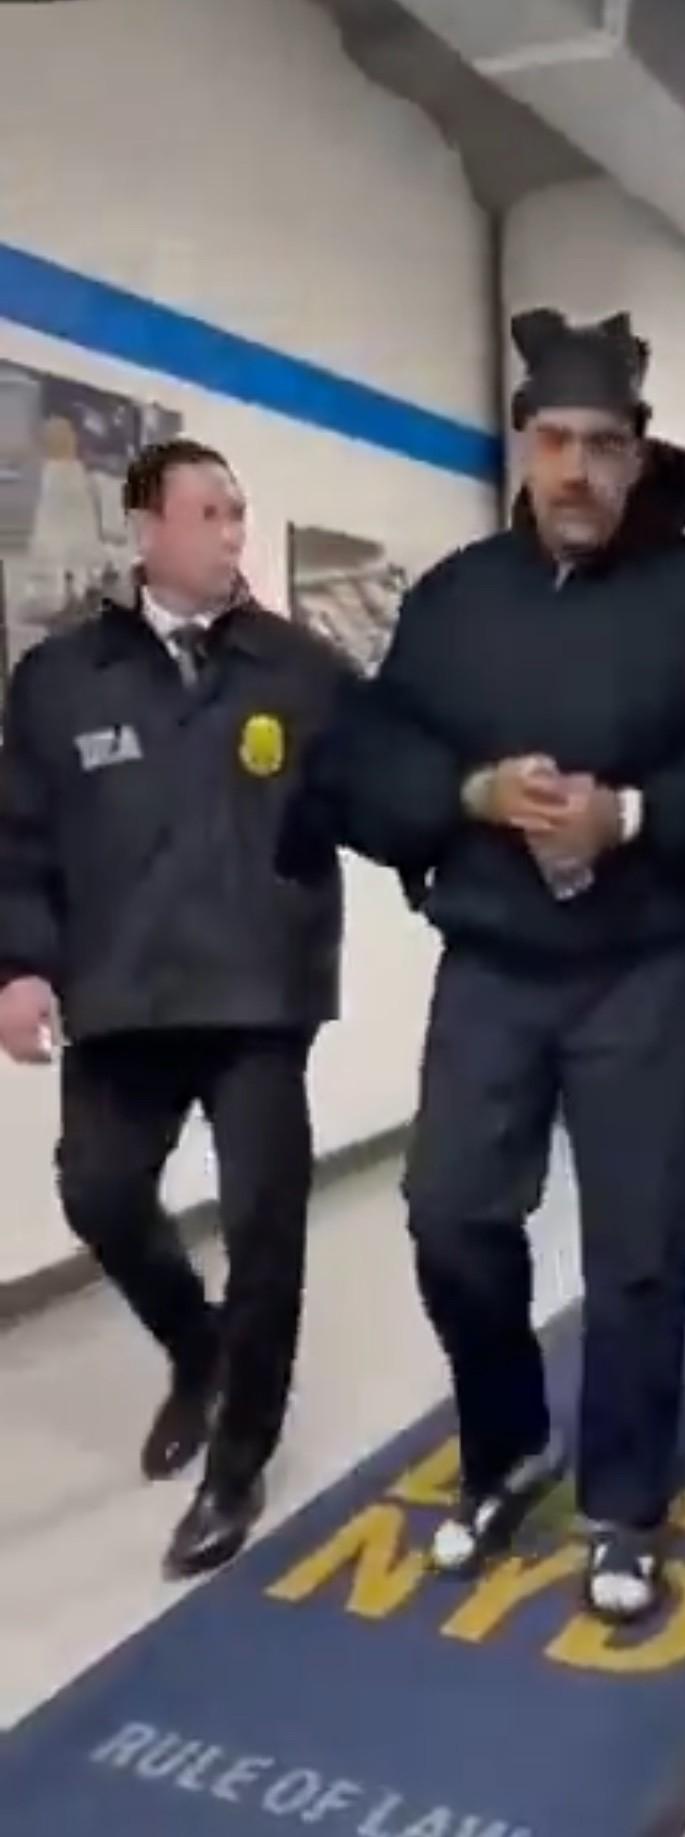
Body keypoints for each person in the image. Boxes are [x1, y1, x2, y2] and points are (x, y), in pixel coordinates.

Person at [281, 308, 685, 1624]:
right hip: (495, 967)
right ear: (524, 446)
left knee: (639, 1252)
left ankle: (625, 1502)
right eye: (557, 441)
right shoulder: (458, 599)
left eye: (604, 445)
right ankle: (508, 1446)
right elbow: (364, 756)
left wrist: (633, 814)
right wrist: (467, 791)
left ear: (638, 454)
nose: (578, 468)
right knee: (449, 1215)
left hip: (650, 970)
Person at [0, 439, 348, 1579]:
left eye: (240, 512)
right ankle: (198, 1348)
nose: (233, 532)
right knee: (98, 1192)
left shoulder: (300, 667)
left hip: (258, 994)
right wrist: (18, 966)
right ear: (145, 528)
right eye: (210, 512)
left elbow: (385, 781)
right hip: (124, 989)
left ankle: (237, 1460)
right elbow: (19, 837)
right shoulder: (59, 679)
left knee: (264, 1226)